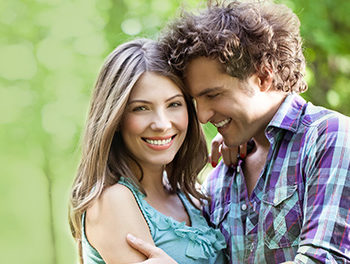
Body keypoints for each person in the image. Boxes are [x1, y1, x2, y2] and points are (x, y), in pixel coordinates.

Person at [126, 1, 350, 263]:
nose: (202, 115)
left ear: (264, 78)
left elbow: (323, 260)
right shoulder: (221, 177)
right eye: (196, 100)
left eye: (213, 95)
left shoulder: (329, 138)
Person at [68, 39, 227, 264]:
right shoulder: (113, 201)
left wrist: (240, 137)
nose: (162, 124)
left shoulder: (189, 194)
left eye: (174, 104)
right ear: (115, 118)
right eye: (141, 108)